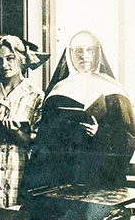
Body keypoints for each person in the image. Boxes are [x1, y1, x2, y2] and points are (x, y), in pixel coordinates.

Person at [26, 30, 135, 189]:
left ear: (98, 53)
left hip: (103, 174)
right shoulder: (58, 90)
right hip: (67, 172)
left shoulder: (116, 91)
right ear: (70, 54)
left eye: (90, 50)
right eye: (78, 50)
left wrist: (100, 133)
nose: (84, 55)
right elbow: (46, 139)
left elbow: (128, 137)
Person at [0, 35, 47, 207]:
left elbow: (37, 142)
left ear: (21, 59)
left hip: (20, 164)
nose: (4, 65)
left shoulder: (36, 95)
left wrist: (16, 132)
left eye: (10, 59)